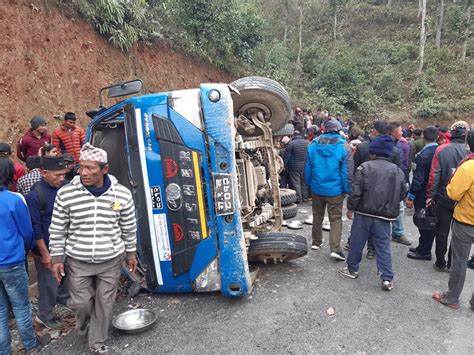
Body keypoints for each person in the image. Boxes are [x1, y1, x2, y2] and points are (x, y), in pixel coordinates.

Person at [49, 143, 137, 353]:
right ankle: (83, 326)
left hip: (111, 260)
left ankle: (97, 342)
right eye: (81, 167)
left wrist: (131, 253)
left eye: (90, 168)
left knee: (104, 303)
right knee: (81, 303)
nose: (83, 172)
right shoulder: (67, 194)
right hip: (79, 261)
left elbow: (129, 226)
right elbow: (58, 228)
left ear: (104, 169)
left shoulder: (121, 195)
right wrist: (57, 258)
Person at [340, 136, 407, 291]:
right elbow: (402, 194)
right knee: (383, 245)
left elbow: (356, 192)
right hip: (384, 215)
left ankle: (352, 269)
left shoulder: (364, 167)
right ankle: (387, 278)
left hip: (364, 212)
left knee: (357, 241)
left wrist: (351, 208)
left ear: (373, 153)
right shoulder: (397, 171)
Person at [0, 158, 42, 354]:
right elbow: (27, 232)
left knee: (0, 311)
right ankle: (30, 344)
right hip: (12, 261)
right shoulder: (14, 199)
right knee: (21, 306)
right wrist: (25, 249)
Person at [432, 128, 474, 310]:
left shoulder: (468, 167)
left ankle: (452, 298)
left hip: (466, 221)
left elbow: (453, 193)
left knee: (459, 261)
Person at [26, 156, 69, 330]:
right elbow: (35, 227)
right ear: (43, 173)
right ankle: (44, 315)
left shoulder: (64, 188)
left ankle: (63, 298)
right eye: (57, 175)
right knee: (48, 283)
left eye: (63, 174)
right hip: (47, 247)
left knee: (66, 276)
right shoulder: (35, 195)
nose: (61, 178)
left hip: (65, 242)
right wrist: (44, 254)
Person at [305, 118, 353, 260]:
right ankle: (335, 249)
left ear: (324, 129)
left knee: (317, 215)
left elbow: (308, 168)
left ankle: (316, 242)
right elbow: (346, 173)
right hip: (335, 190)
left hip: (317, 188)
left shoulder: (313, 145)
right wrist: (346, 190)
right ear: (338, 130)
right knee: (335, 219)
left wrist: (310, 184)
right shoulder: (344, 146)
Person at [427, 121, 469, 272]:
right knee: (457, 233)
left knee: (442, 230)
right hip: (462, 198)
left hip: (444, 195)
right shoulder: (469, 152)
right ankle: (452, 263)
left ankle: (440, 262)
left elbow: (434, 175)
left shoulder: (442, 149)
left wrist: (430, 195)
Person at [405, 126, 438, 260]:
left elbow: (418, 179)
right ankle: (422, 246)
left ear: (423, 136)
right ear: (437, 137)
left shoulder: (423, 155)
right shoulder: (439, 151)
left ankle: (424, 251)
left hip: (423, 193)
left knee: (423, 219)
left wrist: (410, 196)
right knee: (429, 220)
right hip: (435, 192)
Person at [387, 122, 411, 246]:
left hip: (398, 180)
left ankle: (397, 233)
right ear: (393, 132)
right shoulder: (385, 145)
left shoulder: (401, 145)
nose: (402, 133)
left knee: (400, 208)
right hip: (387, 181)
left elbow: (404, 165)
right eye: (400, 130)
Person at [284, 130, 309, 203]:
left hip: (294, 167)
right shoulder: (307, 142)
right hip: (305, 166)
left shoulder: (291, 144)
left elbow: (287, 156)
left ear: (293, 136)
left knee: (296, 183)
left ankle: (299, 199)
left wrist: (285, 165)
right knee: (304, 183)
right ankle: (305, 198)